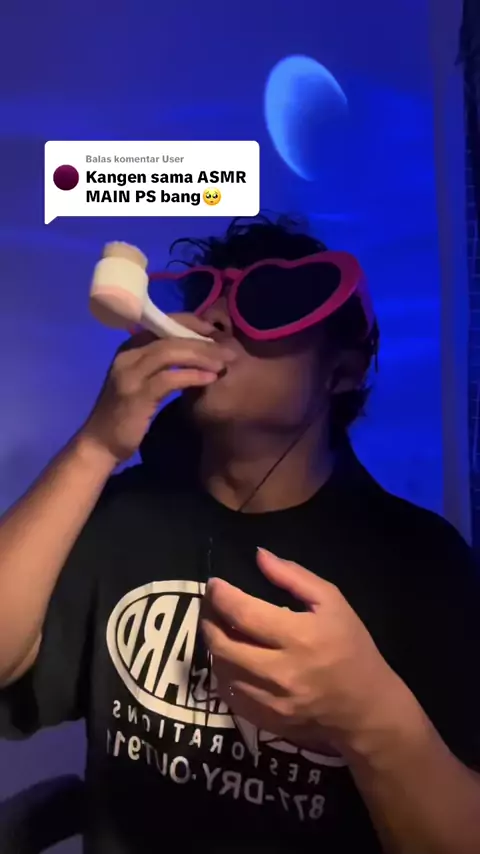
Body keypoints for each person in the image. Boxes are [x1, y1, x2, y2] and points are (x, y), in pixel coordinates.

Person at [0, 216, 479, 854]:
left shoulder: (422, 564)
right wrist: (96, 444)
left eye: (267, 301)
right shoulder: (122, 514)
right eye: (204, 298)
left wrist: (374, 720)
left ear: (343, 372)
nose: (215, 319)